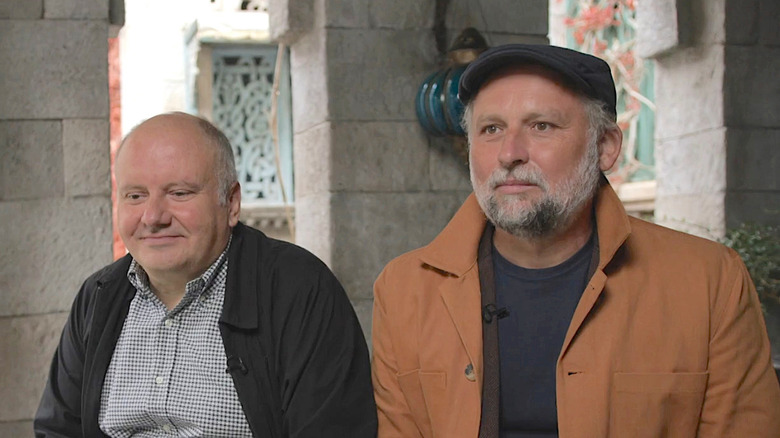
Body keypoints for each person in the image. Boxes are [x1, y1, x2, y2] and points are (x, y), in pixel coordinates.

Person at [371, 44, 780, 437]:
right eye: (491, 129)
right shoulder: (405, 290)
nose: (509, 153)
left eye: (541, 126)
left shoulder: (709, 283)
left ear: (604, 147)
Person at [35, 112, 377, 437]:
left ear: (230, 203)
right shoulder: (99, 297)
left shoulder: (298, 290)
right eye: (135, 195)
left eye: (179, 193)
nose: (153, 216)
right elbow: (57, 430)